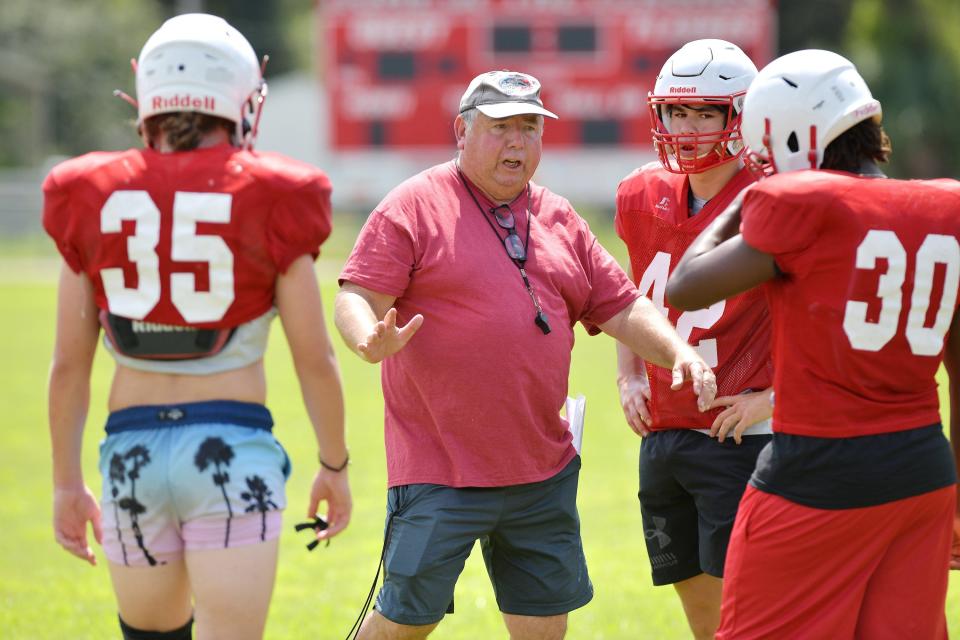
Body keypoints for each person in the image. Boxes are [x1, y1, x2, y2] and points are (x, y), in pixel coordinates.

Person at [334, 69, 717, 639]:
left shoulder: (562, 219)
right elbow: (356, 294)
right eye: (501, 127)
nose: (517, 142)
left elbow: (621, 306)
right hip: (442, 470)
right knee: (402, 625)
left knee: (542, 632)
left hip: (542, 472)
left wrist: (677, 351)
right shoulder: (413, 206)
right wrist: (367, 337)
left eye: (530, 127)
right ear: (461, 132)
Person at [43, 13, 351, 640]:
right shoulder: (274, 192)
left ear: (148, 98)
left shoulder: (89, 191)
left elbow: (69, 365)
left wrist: (66, 483)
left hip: (131, 450)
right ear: (240, 98)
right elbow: (313, 357)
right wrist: (334, 465)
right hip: (230, 450)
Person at [666, 49, 960, 639]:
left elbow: (686, 285)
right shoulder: (947, 204)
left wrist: (744, 202)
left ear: (794, 137)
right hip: (923, 472)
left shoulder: (799, 203)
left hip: (816, 474)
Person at [613, 39, 773, 640]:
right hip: (665, 432)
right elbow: (630, 298)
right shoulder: (639, 193)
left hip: (741, 437)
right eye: (677, 112)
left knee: (755, 618)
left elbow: (820, 315)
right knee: (704, 621)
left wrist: (773, 398)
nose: (688, 128)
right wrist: (628, 374)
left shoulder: (773, 198)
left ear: (743, 116)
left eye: (706, 112)